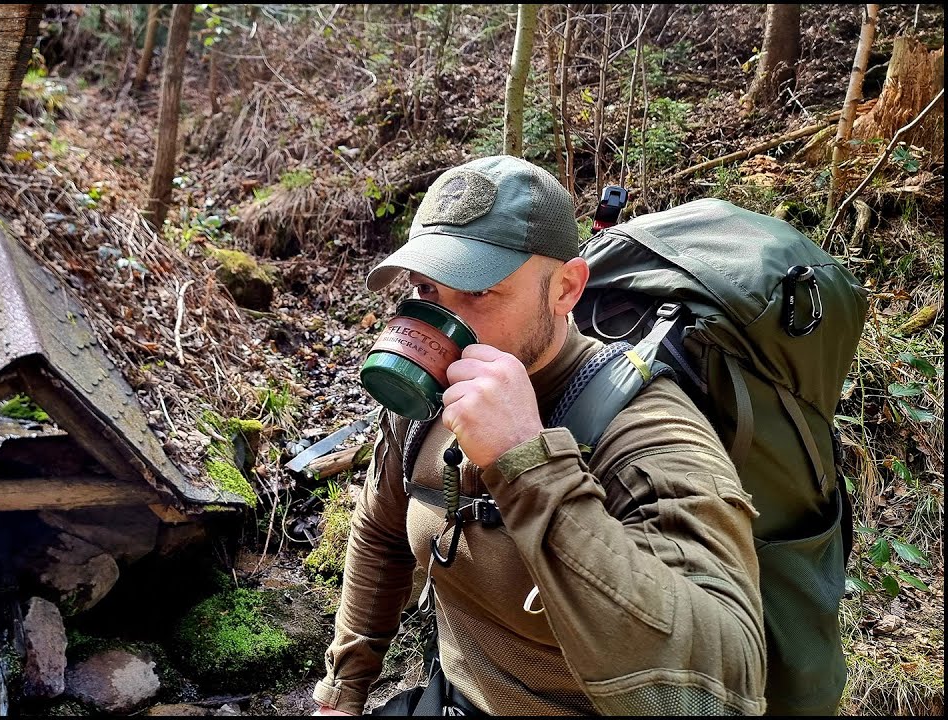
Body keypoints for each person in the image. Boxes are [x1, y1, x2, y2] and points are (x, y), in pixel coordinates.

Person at [312, 156, 767, 716]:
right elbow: (380, 530)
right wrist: (343, 688)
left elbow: (721, 688)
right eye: (428, 290)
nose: (444, 325)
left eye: (479, 294)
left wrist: (527, 462)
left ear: (566, 288)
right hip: (452, 697)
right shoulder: (428, 391)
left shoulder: (645, 429)